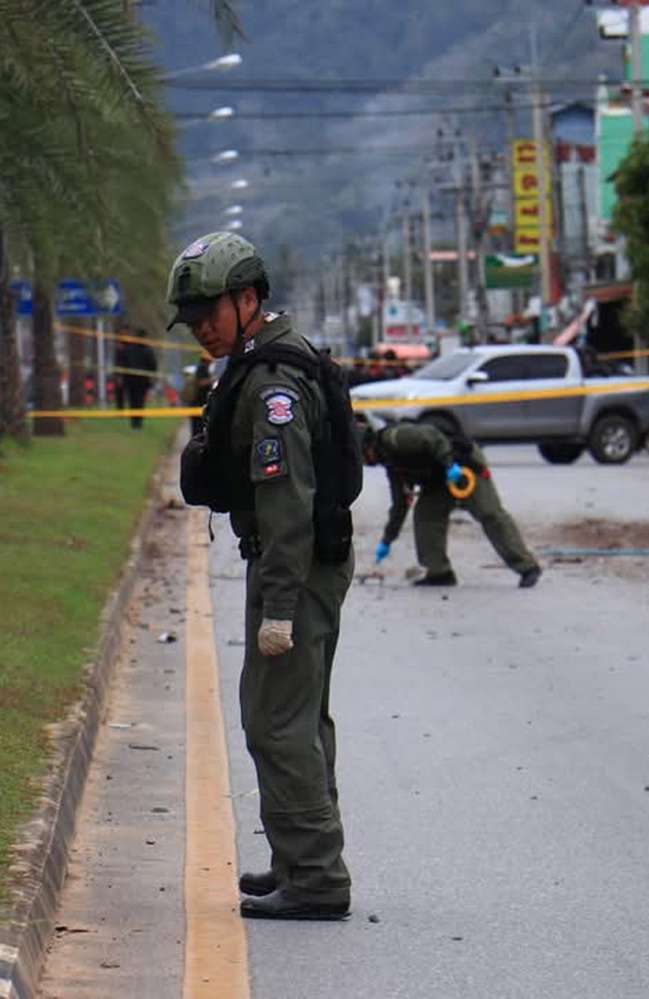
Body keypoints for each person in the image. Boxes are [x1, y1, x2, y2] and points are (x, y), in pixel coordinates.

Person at [169, 230, 355, 921]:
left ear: (248, 300)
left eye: (209, 315)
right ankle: (297, 857)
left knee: (276, 723)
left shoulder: (273, 384)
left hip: (296, 568)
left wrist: (278, 608)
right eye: (192, 321)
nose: (201, 331)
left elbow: (285, 505)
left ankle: (314, 877)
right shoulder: (264, 359)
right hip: (303, 564)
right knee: (298, 718)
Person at [361, 415, 543, 588]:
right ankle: (439, 572)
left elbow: (433, 437)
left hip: (461, 464)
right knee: (426, 516)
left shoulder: (396, 437)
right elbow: (400, 505)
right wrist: (387, 540)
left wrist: (449, 465)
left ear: (368, 445)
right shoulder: (391, 464)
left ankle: (527, 567)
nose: (365, 461)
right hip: (437, 479)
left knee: (489, 513)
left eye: (363, 455)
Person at [115, 331, 158, 430]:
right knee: (137, 401)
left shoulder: (143, 350)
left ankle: (136, 422)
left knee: (136, 401)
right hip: (136, 381)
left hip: (137, 381)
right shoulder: (145, 350)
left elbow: (153, 365)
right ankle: (136, 422)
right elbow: (153, 365)